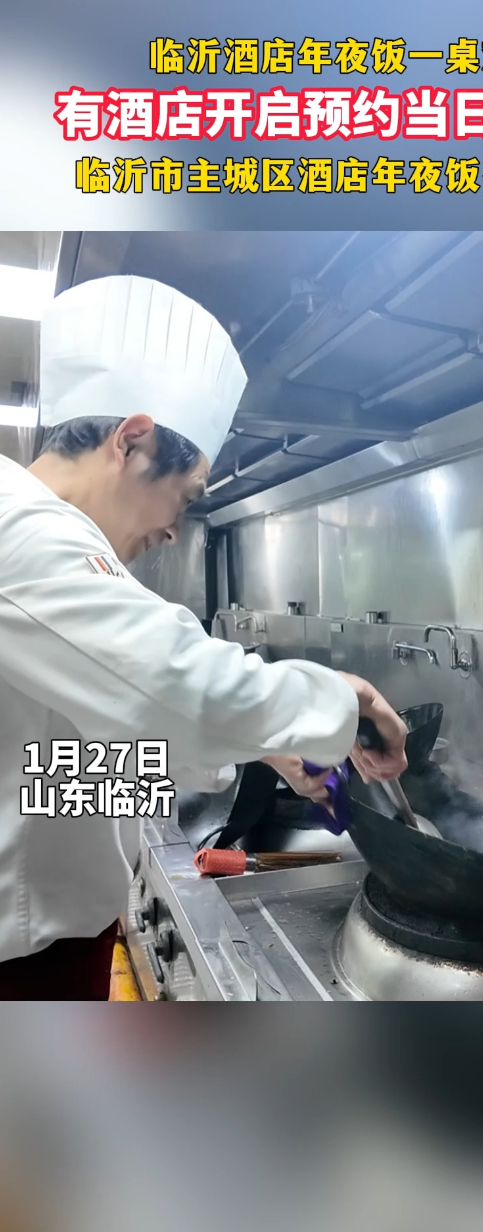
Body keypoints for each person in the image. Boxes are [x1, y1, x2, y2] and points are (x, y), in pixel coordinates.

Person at [0, 273, 407, 999]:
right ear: (132, 442)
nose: (172, 531)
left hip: (49, 942)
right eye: (184, 498)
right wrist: (338, 699)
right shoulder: (22, 528)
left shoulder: (51, 539)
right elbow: (170, 686)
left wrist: (266, 748)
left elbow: (49, 775)